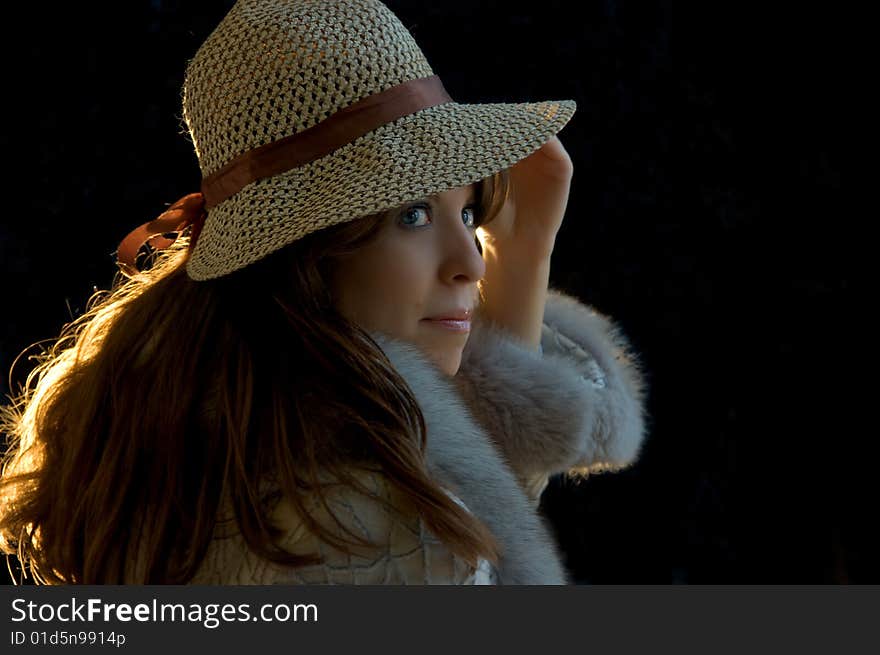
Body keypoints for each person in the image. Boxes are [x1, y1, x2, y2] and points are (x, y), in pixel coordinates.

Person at [0, 0, 648, 585]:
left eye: (470, 214)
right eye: (413, 215)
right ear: (307, 255)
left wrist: (528, 251)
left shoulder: (199, 453)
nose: (471, 265)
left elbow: (472, 500)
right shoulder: (387, 534)